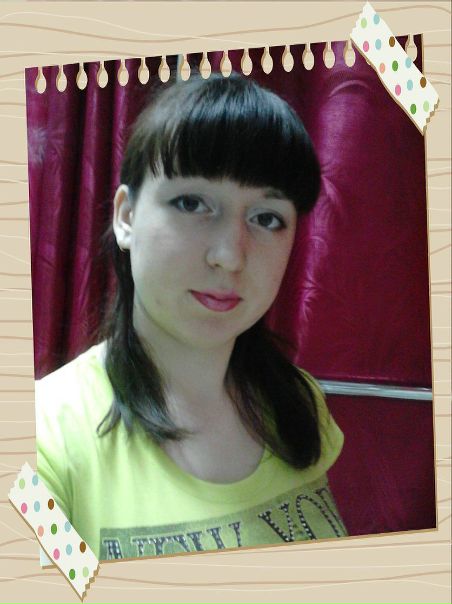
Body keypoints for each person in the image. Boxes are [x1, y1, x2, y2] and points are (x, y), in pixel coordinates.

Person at [36, 72, 347, 561]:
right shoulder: (43, 443)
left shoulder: (298, 405)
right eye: (192, 203)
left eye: (266, 218)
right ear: (127, 216)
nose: (230, 256)